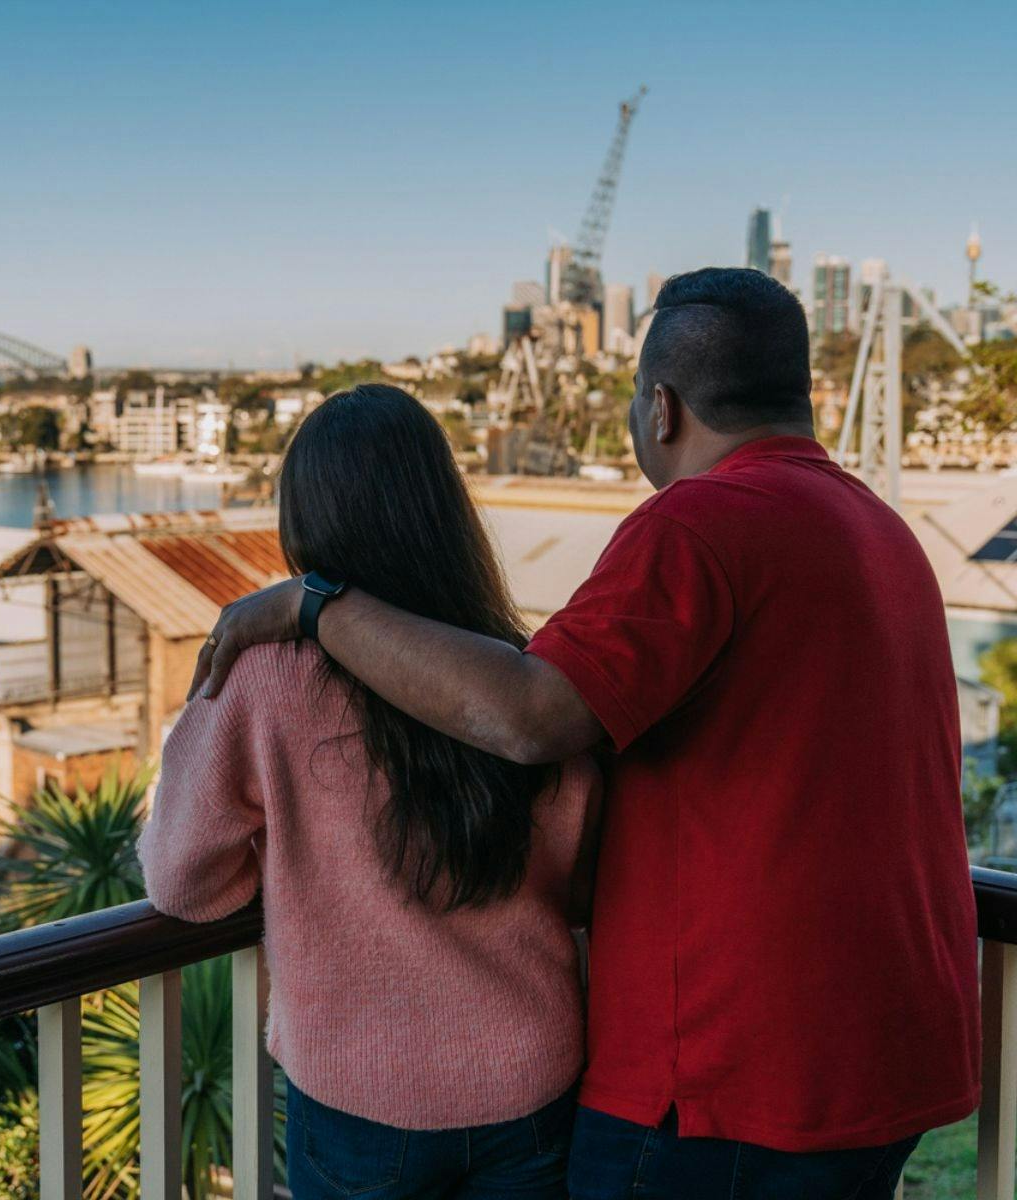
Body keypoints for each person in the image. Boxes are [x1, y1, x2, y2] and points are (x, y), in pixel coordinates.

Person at [186, 268, 981, 1200]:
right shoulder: (881, 531)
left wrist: (312, 606)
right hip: (884, 1048)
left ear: (662, 407)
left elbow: (529, 716)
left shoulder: (701, 525)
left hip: (732, 1071)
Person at [139, 384, 603, 1199]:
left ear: (304, 522)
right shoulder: (512, 675)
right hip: (533, 1079)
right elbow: (575, 876)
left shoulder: (266, 675)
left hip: (360, 1095)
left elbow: (182, 882)